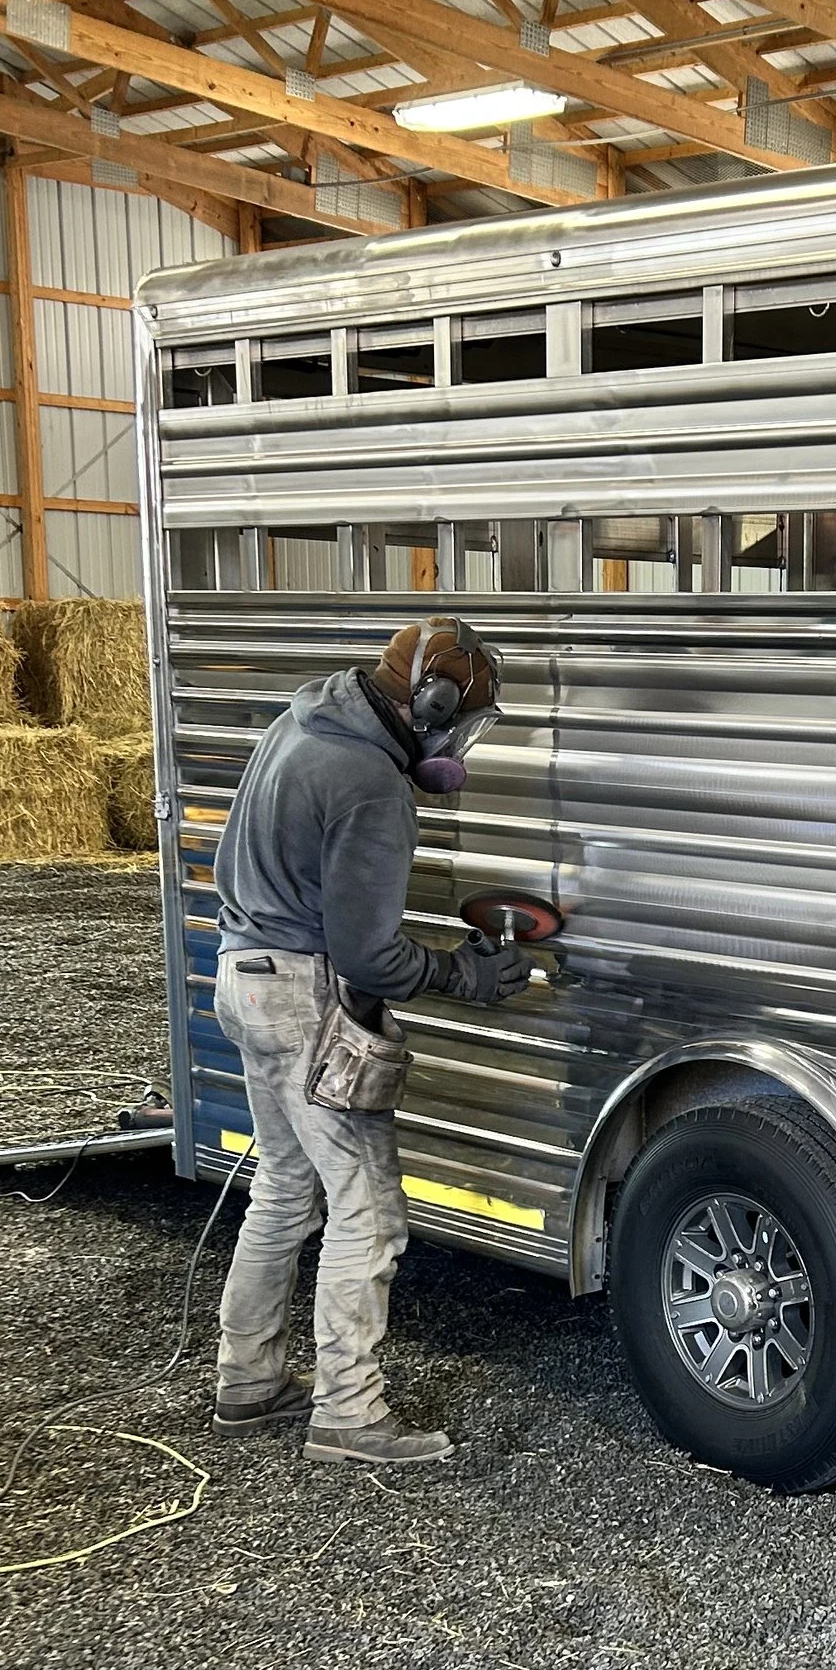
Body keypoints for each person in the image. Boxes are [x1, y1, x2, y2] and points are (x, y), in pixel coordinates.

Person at [209, 616, 528, 1466]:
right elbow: (368, 955)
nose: (457, 742)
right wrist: (469, 976)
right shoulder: (370, 784)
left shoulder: (302, 721)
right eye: (459, 721)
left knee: (282, 1189)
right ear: (427, 704)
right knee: (370, 1215)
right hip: (306, 999)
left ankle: (249, 1381)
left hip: (243, 974)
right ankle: (348, 1413)